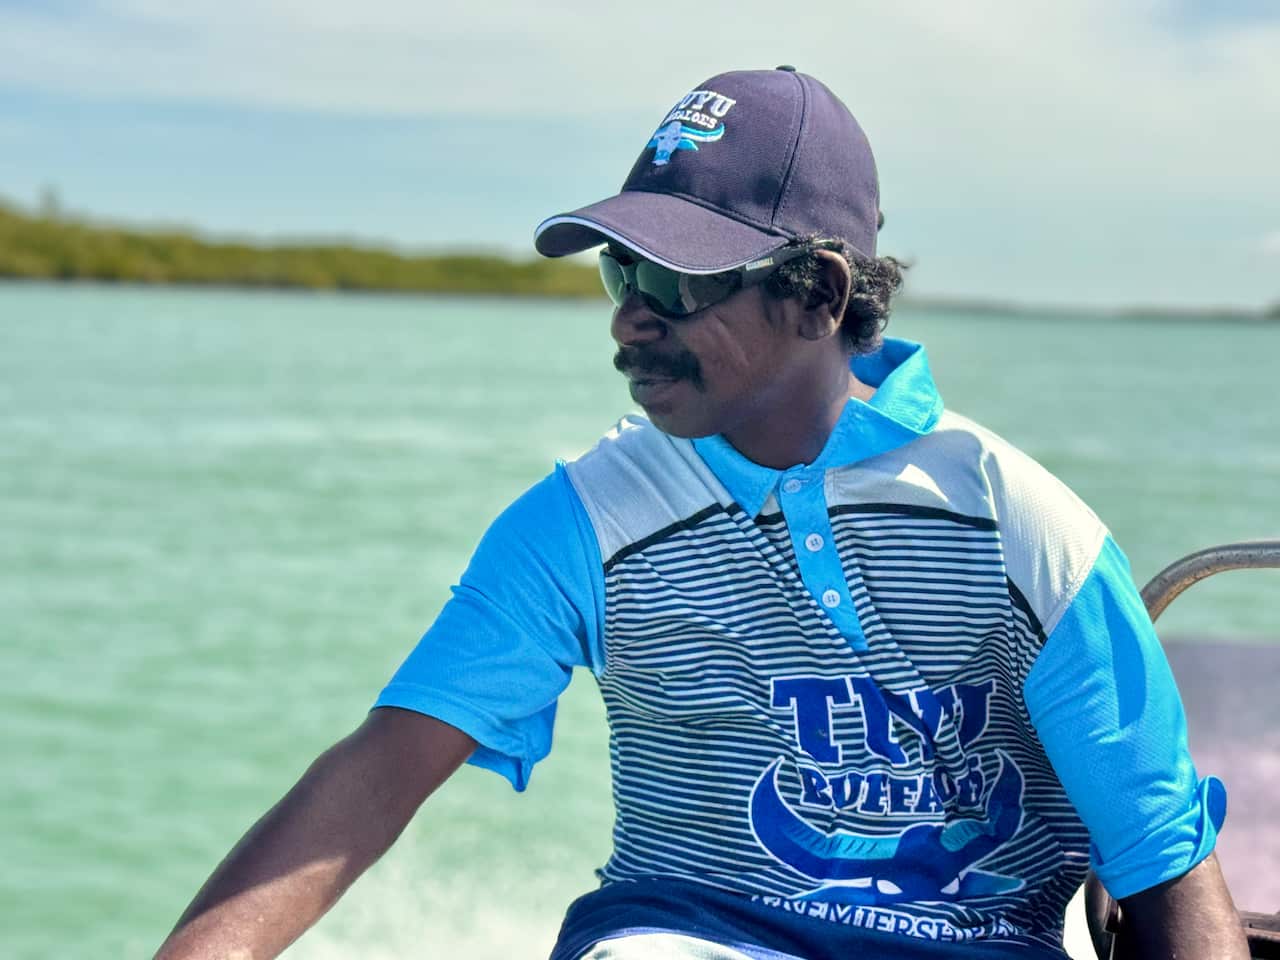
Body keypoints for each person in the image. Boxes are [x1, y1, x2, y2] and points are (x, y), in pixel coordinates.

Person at [155, 68, 1248, 960]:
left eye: (675, 282)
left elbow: (1162, 862)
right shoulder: (583, 522)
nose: (629, 321)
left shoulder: (1028, 534)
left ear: (818, 295)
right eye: (619, 274)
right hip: (682, 937)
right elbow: (384, 766)